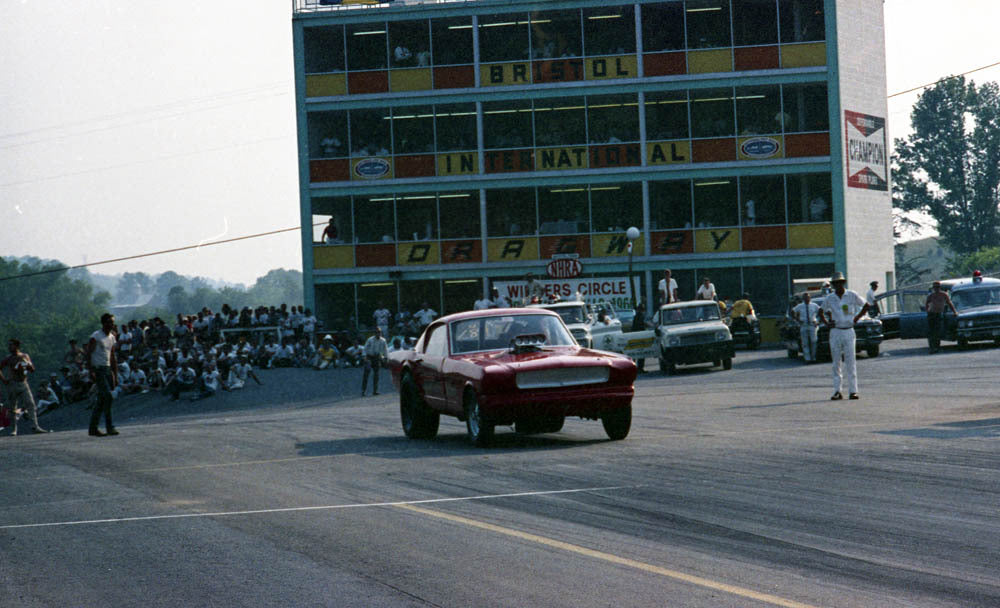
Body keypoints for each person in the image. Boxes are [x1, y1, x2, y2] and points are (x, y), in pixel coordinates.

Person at [819, 272, 869, 400]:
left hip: (848, 330)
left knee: (850, 361)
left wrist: (857, 318)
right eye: (835, 283)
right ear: (833, 285)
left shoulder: (851, 295)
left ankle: (853, 391)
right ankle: (837, 390)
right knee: (836, 362)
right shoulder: (830, 298)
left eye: (840, 283)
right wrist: (826, 323)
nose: (838, 285)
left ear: (843, 283)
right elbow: (821, 311)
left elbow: (866, 305)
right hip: (835, 331)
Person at [0, 338, 49, 435]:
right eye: (9, 345)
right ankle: (14, 430)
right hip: (12, 384)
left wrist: (26, 365)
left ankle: (35, 426)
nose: (9, 347)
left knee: (30, 404)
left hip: (23, 383)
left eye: (11, 345)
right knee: (12, 407)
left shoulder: (24, 356)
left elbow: (32, 369)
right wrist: (4, 380)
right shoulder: (8, 358)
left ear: (17, 346)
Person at [85, 313, 119, 436]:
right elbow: (88, 354)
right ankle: (110, 426)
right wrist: (91, 371)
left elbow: (112, 356)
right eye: (110, 322)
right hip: (98, 369)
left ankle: (93, 428)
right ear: (104, 323)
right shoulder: (96, 336)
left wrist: (115, 374)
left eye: (113, 322)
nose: (112, 324)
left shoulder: (112, 337)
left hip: (107, 369)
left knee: (102, 399)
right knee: (107, 397)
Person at [925, 281, 958, 354]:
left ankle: (936, 347)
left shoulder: (944, 295)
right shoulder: (931, 295)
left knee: (937, 331)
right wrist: (927, 311)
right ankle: (932, 347)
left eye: (938, 287)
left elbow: (949, 303)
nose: (936, 289)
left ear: (940, 288)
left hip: (939, 314)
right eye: (935, 287)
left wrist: (954, 312)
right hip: (932, 314)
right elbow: (927, 304)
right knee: (931, 332)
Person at [792, 292, 821, 363]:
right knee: (805, 342)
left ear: (810, 298)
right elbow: (793, 311)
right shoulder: (800, 306)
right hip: (804, 324)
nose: (806, 299)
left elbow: (821, 312)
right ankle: (807, 358)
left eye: (808, 297)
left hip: (812, 325)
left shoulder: (814, 305)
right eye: (805, 298)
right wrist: (797, 319)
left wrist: (818, 321)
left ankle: (813, 358)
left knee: (814, 341)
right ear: (803, 299)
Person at [361, 327, 388, 397]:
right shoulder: (370, 340)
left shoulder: (383, 341)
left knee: (376, 375)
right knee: (366, 373)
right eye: (376, 332)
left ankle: (375, 390)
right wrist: (364, 357)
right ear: (374, 333)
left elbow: (385, 350)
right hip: (369, 357)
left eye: (379, 332)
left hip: (377, 357)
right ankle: (363, 390)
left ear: (381, 333)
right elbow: (365, 348)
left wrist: (386, 358)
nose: (378, 334)